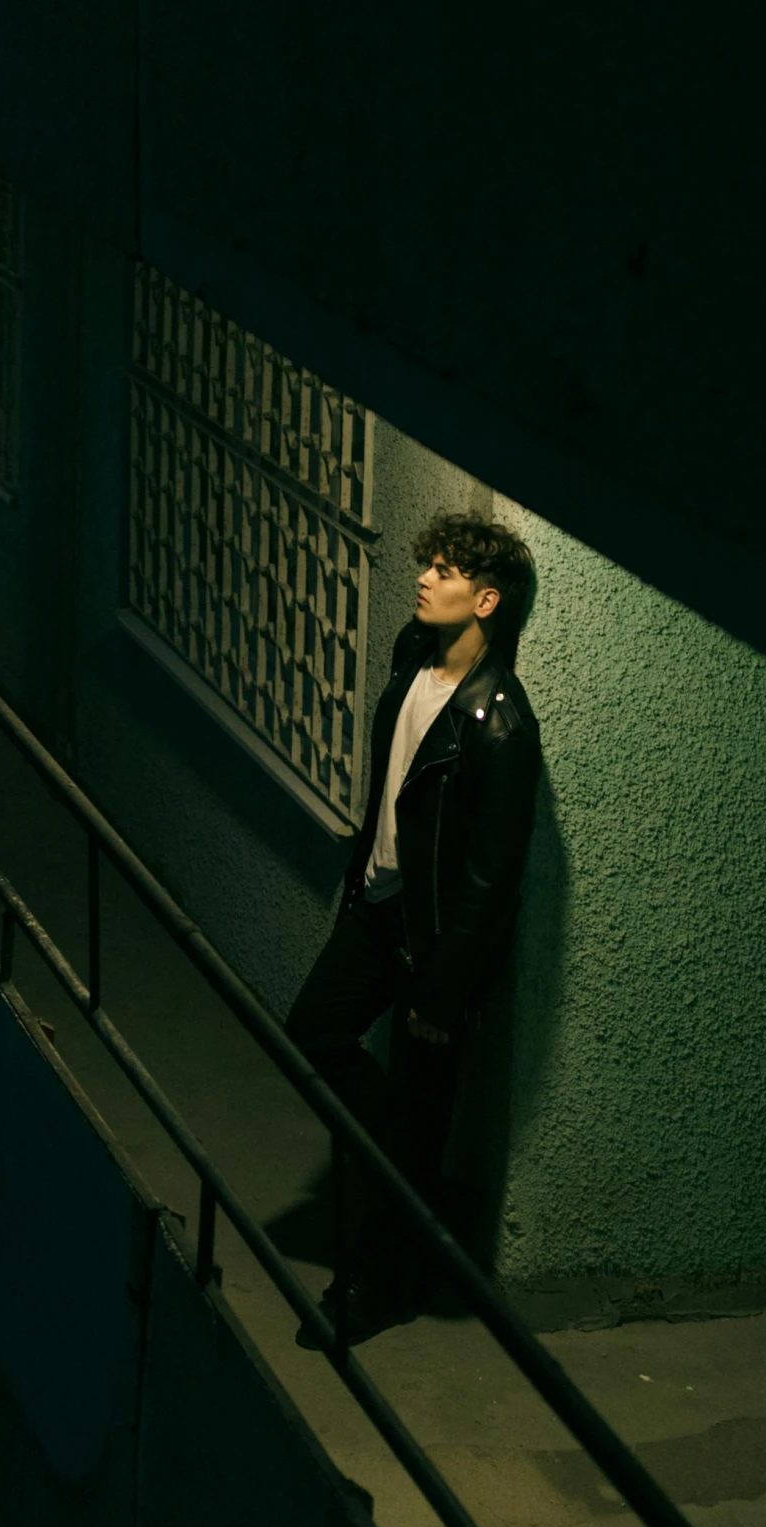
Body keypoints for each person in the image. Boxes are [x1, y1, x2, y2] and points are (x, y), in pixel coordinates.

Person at [288, 510, 541, 1351]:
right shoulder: (409, 657)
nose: (426, 576)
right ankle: (390, 1140)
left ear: (487, 600)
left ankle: (376, 1291)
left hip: (435, 945)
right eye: (427, 562)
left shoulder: (501, 725)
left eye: (446, 570)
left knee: (418, 1137)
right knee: (311, 1033)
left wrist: (440, 989)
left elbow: (489, 883)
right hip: (377, 907)